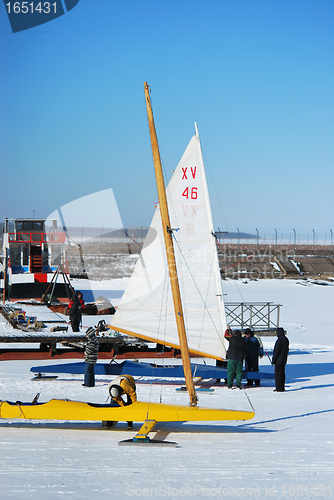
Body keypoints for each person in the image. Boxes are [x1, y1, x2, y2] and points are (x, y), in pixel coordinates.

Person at [272, 327, 289, 392]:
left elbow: (277, 351)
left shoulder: (279, 340)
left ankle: (279, 388)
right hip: (284, 360)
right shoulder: (286, 339)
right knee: (282, 374)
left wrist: (274, 360)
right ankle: (282, 387)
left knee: (278, 375)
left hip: (278, 361)